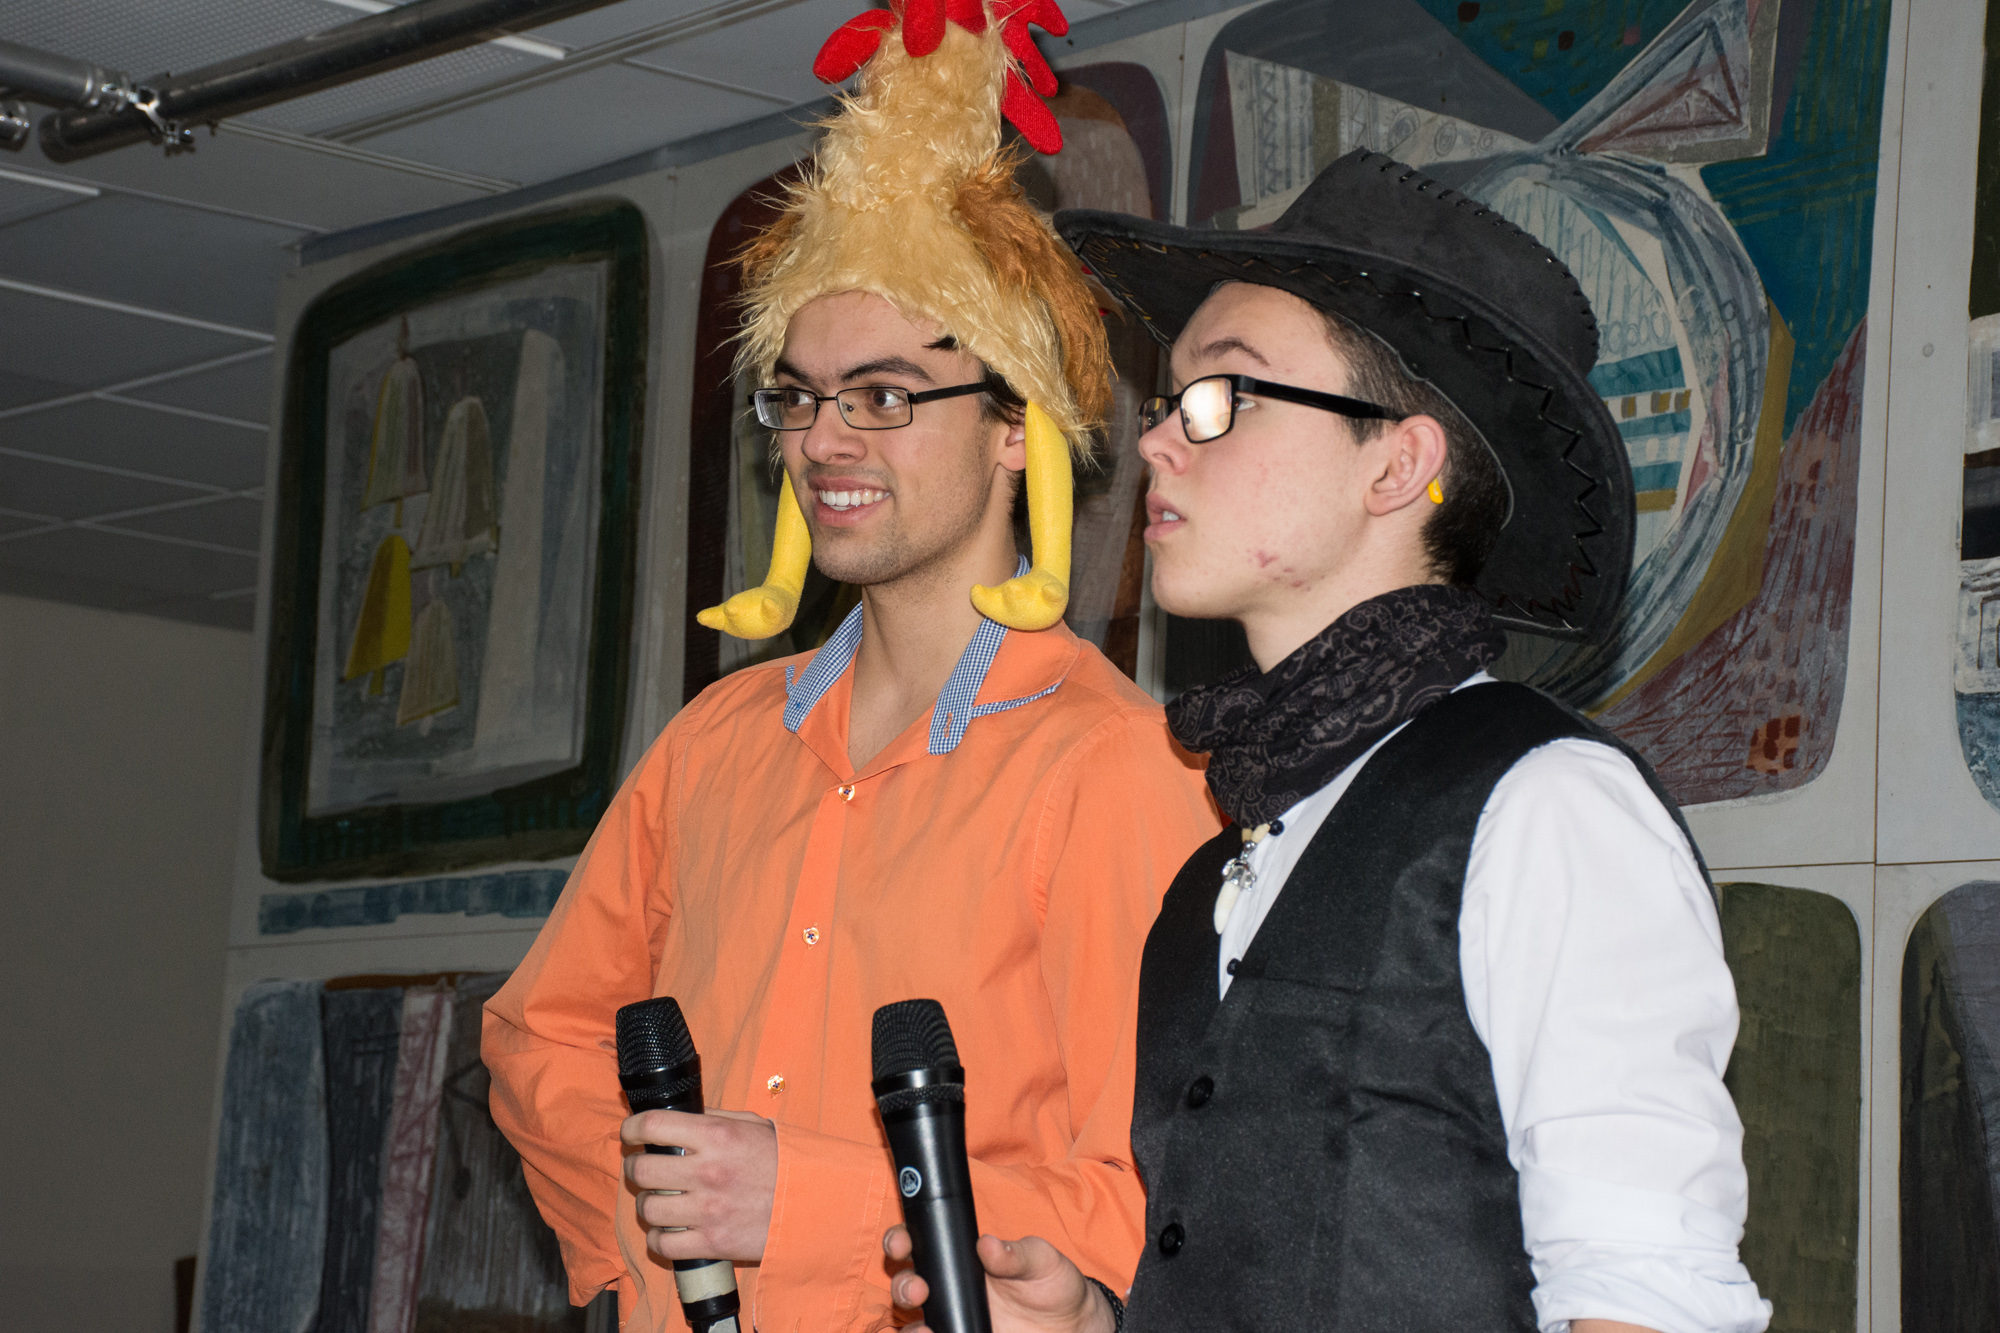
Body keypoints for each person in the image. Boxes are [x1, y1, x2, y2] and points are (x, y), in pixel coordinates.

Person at [885, 149, 1773, 1333]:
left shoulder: (1542, 805)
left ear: (1397, 464)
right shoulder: (1216, 867)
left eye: (1221, 396)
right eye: (1165, 403)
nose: (1156, 443)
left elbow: (1646, 1297)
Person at [481, 4, 1219, 1330]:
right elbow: (542, 1037)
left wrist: (807, 1204)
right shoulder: (712, 742)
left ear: (1015, 425)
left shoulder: (1113, 766)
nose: (823, 439)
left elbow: (1151, 1196)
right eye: (799, 395)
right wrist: (654, 1231)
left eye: (883, 395)